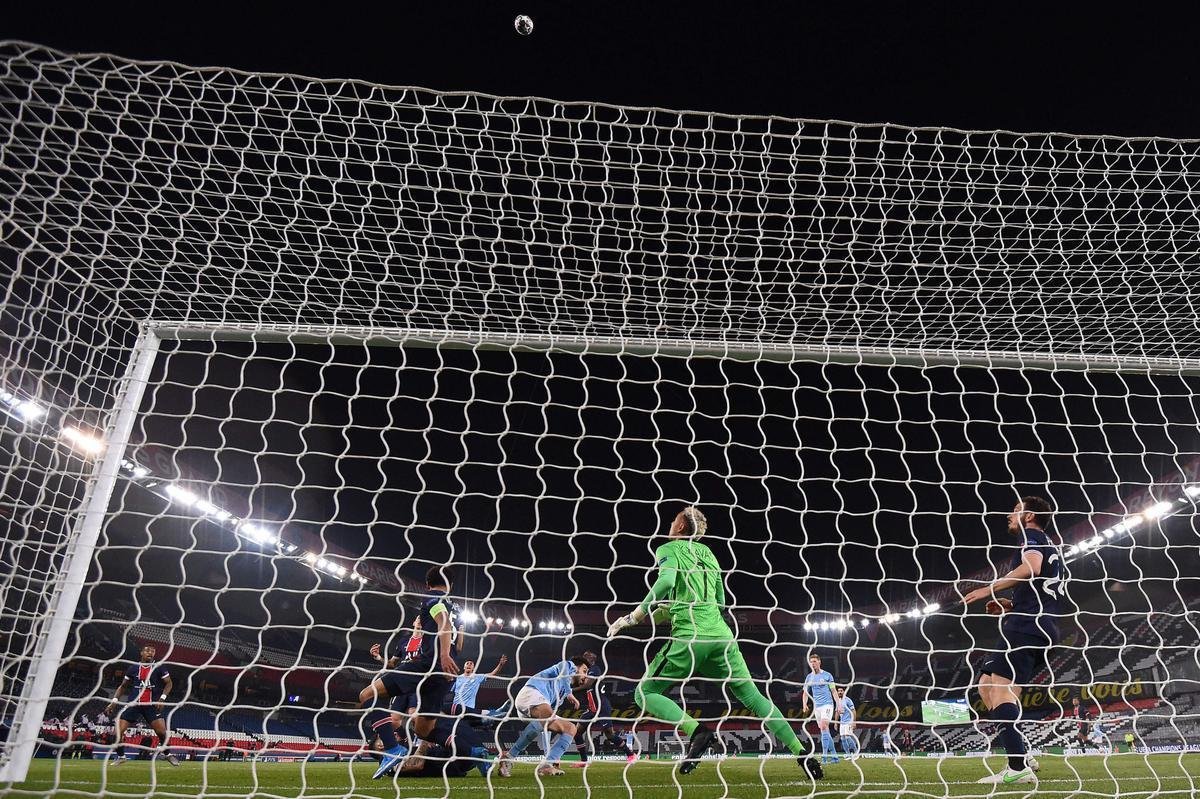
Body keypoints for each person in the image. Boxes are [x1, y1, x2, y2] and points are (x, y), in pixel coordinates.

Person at [607, 506, 823, 780]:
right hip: (722, 638)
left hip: (690, 638)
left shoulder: (668, 549)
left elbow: (666, 581)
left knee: (644, 693)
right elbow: (718, 602)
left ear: (681, 527)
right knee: (755, 698)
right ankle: (802, 754)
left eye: (674, 519)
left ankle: (698, 733)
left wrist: (635, 616)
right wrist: (666, 610)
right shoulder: (709, 555)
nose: (670, 523)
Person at [961, 496, 1065, 786]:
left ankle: (1017, 767)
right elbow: (1041, 587)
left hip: (1026, 625)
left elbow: (1031, 567)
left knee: (1000, 689)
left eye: (1016, 510)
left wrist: (989, 588)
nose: (1010, 514)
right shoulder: (1049, 543)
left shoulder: (1032, 536)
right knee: (986, 687)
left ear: (1029, 515)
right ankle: (1022, 753)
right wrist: (1008, 603)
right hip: (1038, 624)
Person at [357, 567, 471, 779]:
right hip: (446, 674)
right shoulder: (454, 607)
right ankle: (471, 751)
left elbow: (443, 623)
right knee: (423, 730)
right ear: (451, 585)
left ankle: (392, 749)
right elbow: (460, 645)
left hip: (426, 666)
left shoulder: (431, 597)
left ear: (428, 584)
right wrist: (449, 657)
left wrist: (443, 655)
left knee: (366, 695)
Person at [497, 655, 591, 777]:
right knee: (548, 717)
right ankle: (509, 757)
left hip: (536, 707)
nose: (586, 676)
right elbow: (564, 669)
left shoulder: (561, 694)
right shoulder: (568, 665)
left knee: (570, 728)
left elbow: (547, 724)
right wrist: (569, 693)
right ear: (576, 667)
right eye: (584, 671)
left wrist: (551, 755)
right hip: (531, 693)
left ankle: (547, 764)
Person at [104, 645, 181, 766]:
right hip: (134, 704)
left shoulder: (159, 667)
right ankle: (121, 756)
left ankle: (167, 754)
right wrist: (113, 702)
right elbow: (123, 686)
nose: (150, 653)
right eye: (147, 650)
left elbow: (169, 683)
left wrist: (162, 698)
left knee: (162, 733)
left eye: (153, 651)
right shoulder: (133, 668)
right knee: (117, 732)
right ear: (141, 653)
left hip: (151, 705)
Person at [566, 651, 635, 767]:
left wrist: (570, 691)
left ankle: (631, 754)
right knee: (576, 733)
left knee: (610, 735)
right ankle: (584, 761)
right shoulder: (584, 673)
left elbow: (587, 685)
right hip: (592, 708)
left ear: (590, 661)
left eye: (586, 659)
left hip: (602, 706)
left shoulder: (595, 669)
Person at [801, 654, 842, 764]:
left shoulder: (827, 675)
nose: (812, 663)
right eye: (811, 662)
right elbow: (805, 693)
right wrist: (804, 704)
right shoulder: (809, 677)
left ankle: (824, 757)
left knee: (824, 726)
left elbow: (833, 691)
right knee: (825, 731)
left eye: (814, 661)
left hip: (827, 705)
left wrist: (839, 704)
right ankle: (835, 757)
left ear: (819, 662)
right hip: (817, 707)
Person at [835, 687, 857, 758]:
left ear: (844, 692)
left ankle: (856, 752)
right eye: (838, 691)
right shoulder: (838, 701)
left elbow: (853, 711)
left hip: (848, 722)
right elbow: (837, 713)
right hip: (842, 723)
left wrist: (854, 722)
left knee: (847, 737)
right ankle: (848, 754)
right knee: (842, 738)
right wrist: (835, 723)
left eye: (841, 691)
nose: (840, 692)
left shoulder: (848, 700)